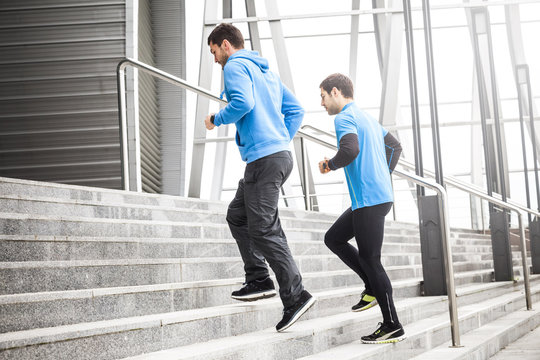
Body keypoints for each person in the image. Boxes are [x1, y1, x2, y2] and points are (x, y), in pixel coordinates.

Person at [204, 23, 315, 332]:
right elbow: (296, 111)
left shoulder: (235, 66)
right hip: (274, 157)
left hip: (265, 160)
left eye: (214, 52)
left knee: (264, 229)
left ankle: (296, 296)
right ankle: (259, 278)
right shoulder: (266, 72)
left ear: (225, 45)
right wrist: (280, 140)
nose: (215, 59)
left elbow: (243, 104)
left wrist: (216, 118)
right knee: (238, 216)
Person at [318, 73, 405, 344]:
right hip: (374, 197)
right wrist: (382, 173)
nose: (321, 103)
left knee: (371, 260)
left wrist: (329, 165)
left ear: (335, 92)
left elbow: (350, 150)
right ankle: (369, 286)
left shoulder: (344, 117)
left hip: (369, 198)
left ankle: (392, 325)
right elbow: (395, 146)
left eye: (322, 96)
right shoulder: (366, 117)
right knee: (333, 238)